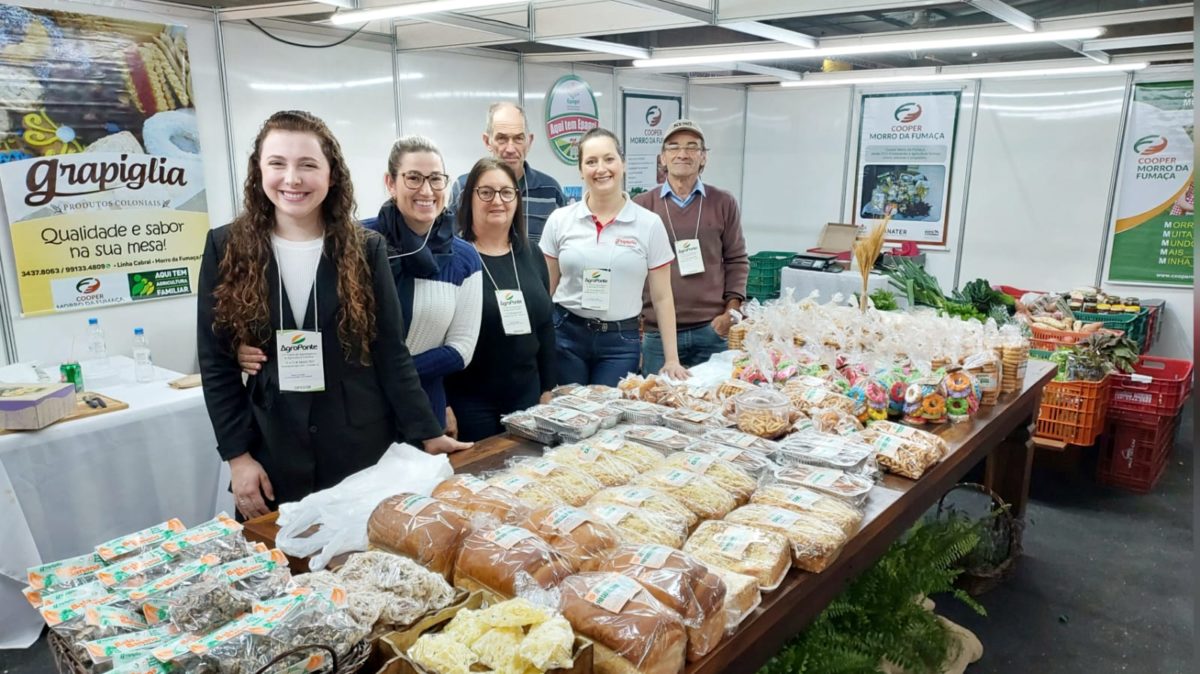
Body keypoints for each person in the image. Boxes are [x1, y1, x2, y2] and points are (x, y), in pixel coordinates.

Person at [198, 110, 469, 521]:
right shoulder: (226, 246)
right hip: (273, 451)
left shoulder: (365, 248)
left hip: (361, 448)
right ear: (258, 170)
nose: (292, 179)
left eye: (308, 165)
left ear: (332, 174)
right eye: (277, 164)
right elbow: (215, 363)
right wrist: (238, 457)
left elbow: (390, 352)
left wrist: (428, 432)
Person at [239, 135, 483, 436]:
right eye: (413, 178)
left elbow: (461, 350)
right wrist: (251, 348)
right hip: (355, 411)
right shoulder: (356, 242)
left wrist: (386, 373)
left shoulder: (463, 257)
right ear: (390, 183)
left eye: (435, 179)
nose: (426, 190)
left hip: (422, 407)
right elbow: (313, 315)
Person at [539, 127, 689, 387]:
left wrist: (672, 358)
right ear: (580, 169)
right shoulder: (560, 220)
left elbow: (663, 297)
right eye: (591, 161)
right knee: (566, 415)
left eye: (609, 159)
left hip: (620, 343)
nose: (601, 169)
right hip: (565, 335)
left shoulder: (649, 224)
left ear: (623, 163)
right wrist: (536, 345)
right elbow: (546, 290)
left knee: (608, 416)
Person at [446, 158, 557, 441]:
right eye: (486, 192)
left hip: (527, 395)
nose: (498, 200)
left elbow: (545, 326)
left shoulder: (531, 253)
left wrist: (548, 388)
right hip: (471, 401)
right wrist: (442, 403)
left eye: (506, 192)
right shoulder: (452, 258)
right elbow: (438, 339)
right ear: (469, 197)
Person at [633, 119, 748, 373]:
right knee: (656, 406)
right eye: (673, 147)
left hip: (710, 330)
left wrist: (730, 314)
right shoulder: (642, 205)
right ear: (662, 158)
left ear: (704, 157)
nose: (682, 154)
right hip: (658, 334)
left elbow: (737, 260)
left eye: (692, 147)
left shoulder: (723, 202)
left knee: (711, 406)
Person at [450, 102, 567, 245]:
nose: (510, 148)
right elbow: (449, 245)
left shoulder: (551, 191)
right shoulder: (464, 188)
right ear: (487, 141)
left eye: (518, 138)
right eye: (502, 139)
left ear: (529, 142)